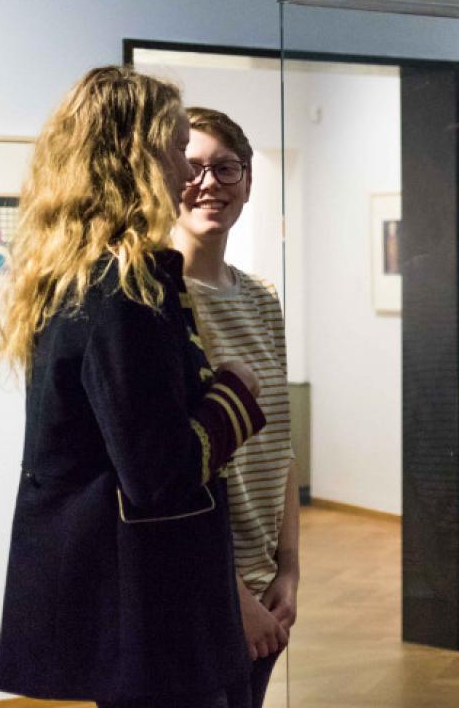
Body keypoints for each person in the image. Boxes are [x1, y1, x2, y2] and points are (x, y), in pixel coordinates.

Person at [0, 66, 265, 707]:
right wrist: (235, 394)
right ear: (135, 158)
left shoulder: (76, 274)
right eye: (177, 148)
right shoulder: (123, 289)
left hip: (127, 592)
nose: (187, 170)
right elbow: (159, 472)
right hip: (148, 602)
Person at [172, 106, 299, 707]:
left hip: (264, 585)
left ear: (248, 182)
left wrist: (289, 571)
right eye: (193, 167)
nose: (209, 184)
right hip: (194, 583)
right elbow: (164, 474)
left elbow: (281, 449)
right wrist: (232, 595)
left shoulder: (262, 298)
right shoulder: (157, 299)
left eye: (227, 168)